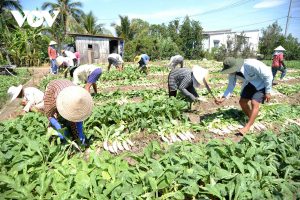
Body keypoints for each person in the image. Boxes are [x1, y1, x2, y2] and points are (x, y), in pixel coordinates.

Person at [215, 57, 273, 135]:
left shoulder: (250, 64)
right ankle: (251, 118)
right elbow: (230, 86)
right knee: (242, 102)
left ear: (235, 66)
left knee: (254, 102)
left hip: (262, 83)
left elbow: (268, 75)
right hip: (249, 84)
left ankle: (247, 126)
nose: (230, 72)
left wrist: (268, 92)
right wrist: (223, 98)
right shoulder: (232, 73)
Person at [44, 79, 93, 145]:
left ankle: (79, 138)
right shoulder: (54, 98)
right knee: (55, 119)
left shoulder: (79, 95)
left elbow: (76, 116)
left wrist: (79, 134)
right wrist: (57, 125)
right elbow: (49, 113)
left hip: (68, 87)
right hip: (54, 87)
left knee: (75, 119)